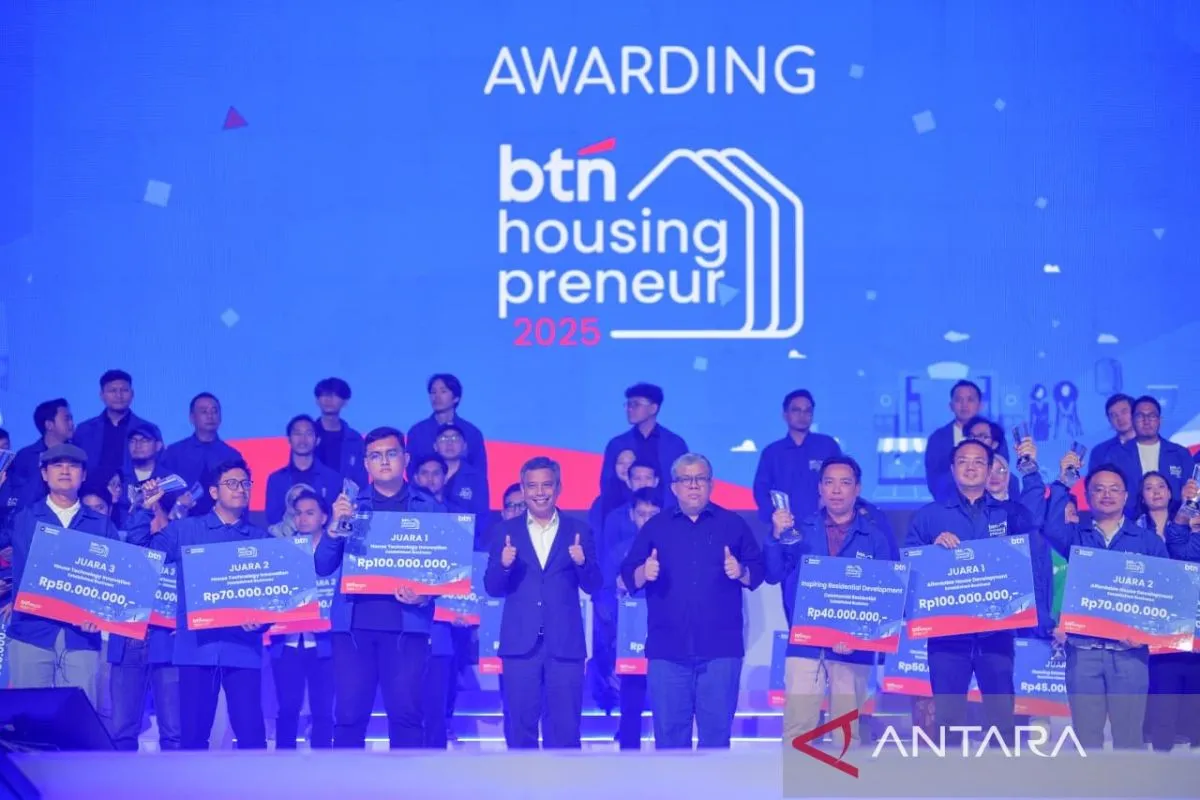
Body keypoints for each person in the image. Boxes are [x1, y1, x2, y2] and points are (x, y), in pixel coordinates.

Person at [905, 438, 1046, 746]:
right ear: (952, 468)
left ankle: (1000, 775)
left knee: (1001, 719)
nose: (971, 467)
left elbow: (1031, 552)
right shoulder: (930, 516)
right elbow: (908, 568)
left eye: (979, 462)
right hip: (946, 636)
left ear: (990, 468)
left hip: (996, 634)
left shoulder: (1010, 514)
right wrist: (932, 550)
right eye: (963, 461)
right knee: (947, 721)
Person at [620, 453, 764, 749]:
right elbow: (627, 575)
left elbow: (759, 571)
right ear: (674, 487)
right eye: (686, 480)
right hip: (667, 652)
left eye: (700, 479)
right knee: (670, 744)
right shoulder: (656, 527)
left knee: (716, 742)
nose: (694, 485)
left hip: (720, 651)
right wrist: (644, 572)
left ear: (711, 484)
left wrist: (741, 571)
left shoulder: (733, 524)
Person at [1036, 445, 1171, 750]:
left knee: (1129, 740)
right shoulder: (1076, 536)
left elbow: (1164, 596)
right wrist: (1063, 482)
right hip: (1083, 652)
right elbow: (1050, 527)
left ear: (1126, 496)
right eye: (1099, 489)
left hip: (1130, 653)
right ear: (1088, 495)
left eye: (1114, 489)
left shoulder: (1147, 541)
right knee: (1087, 741)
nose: (1107, 495)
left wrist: (1147, 633)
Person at [129, 459, 270, 750]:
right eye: (232, 483)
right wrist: (145, 509)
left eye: (245, 484)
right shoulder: (185, 530)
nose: (240, 489)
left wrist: (263, 620)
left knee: (252, 738)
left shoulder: (261, 538)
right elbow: (142, 559)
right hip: (196, 649)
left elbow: (274, 594)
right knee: (193, 739)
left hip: (242, 649)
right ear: (214, 492)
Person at [315, 427, 438, 750]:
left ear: (405, 459)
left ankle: (407, 781)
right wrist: (334, 527)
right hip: (353, 629)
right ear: (366, 464)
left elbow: (444, 569)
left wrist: (427, 594)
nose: (384, 461)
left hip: (407, 627)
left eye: (391, 453)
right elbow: (323, 565)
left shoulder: (427, 508)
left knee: (407, 716)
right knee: (348, 717)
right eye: (375, 455)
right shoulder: (350, 506)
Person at [764, 456, 897, 745]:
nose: (836, 490)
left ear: (857, 489)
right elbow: (773, 574)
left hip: (854, 648)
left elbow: (888, 595)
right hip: (805, 643)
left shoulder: (874, 537)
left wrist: (858, 635)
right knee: (797, 731)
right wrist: (775, 536)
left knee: (846, 735)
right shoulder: (799, 531)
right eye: (829, 482)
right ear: (820, 488)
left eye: (845, 483)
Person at [484, 456, 601, 749]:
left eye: (546, 485)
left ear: (558, 488)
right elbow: (492, 587)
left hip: (565, 646)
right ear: (523, 490)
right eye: (532, 486)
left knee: (565, 731)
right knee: (519, 730)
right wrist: (504, 565)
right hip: (520, 646)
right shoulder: (505, 532)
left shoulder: (579, 530)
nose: (539, 492)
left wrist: (582, 562)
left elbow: (594, 585)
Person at [0, 444, 118, 705]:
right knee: (29, 717)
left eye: (73, 466)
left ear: (83, 475)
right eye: (57, 465)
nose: (65, 471)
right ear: (44, 474)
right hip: (31, 632)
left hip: (82, 637)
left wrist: (101, 615)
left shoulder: (101, 525)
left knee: (79, 716)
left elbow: (113, 580)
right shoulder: (22, 518)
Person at [268, 490, 335, 749]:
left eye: (310, 513)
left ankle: (323, 765)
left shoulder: (336, 554)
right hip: (287, 643)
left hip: (325, 644)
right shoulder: (281, 552)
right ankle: (283, 765)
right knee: (287, 708)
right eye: (298, 514)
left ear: (324, 517)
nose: (303, 519)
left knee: (323, 710)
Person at [606, 486, 662, 750]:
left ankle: (673, 757)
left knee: (668, 699)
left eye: (653, 514)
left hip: (667, 632)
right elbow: (606, 591)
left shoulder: (676, 547)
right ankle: (628, 752)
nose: (647, 520)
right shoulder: (619, 550)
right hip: (632, 635)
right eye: (642, 514)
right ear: (632, 515)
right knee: (631, 699)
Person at [752, 389, 842, 524]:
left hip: (825, 526)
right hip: (785, 528)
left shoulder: (828, 446)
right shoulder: (772, 452)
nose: (802, 415)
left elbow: (843, 481)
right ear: (785, 415)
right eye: (796, 410)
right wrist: (776, 518)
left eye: (807, 411)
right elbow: (761, 491)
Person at [599, 384, 688, 511]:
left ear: (653, 408)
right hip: (626, 516)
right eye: (628, 404)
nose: (630, 409)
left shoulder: (675, 444)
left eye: (636, 404)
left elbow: (683, 484)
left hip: (666, 515)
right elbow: (608, 487)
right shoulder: (617, 444)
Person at [158, 393, 243, 519]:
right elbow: (162, 490)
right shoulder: (174, 453)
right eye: (204, 411)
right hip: (181, 524)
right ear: (192, 418)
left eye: (214, 411)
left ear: (220, 417)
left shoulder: (232, 456)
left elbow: (242, 495)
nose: (210, 416)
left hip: (223, 525)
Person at [72, 370, 157, 492]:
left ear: (132, 394)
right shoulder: (84, 430)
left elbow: (158, 468)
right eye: (112, 391)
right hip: (90, 496)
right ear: (102, 395)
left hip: (135, 497)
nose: (119, 395)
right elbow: (75, 466)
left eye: (124, 390)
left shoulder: (149, 429)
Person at [264, 415, 342, 525]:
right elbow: (273, 519)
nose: (302, 440)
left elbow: (334, 518)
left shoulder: (333, 479)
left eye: (308, 434)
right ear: (289, 439)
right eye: (297, 434)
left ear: (317, 440)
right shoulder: (276, 480)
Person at [407, 374, 488, 476]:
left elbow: (480, 472)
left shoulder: (471, 433)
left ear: (456, 398)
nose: (437, 397)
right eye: (433, 392)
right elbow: (411, 470)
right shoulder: (417, 432)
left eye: (443, 391)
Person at [7, 398, 75, 511]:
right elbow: (15, 494)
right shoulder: (25, 456)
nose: (72, 424)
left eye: (71, 419)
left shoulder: (78, 454)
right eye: (66, 419)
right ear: (49, 425)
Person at [923, 380, 983, 504]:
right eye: (959, 400)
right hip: (949, 505)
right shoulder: (938, 438)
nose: (964, 405)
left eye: (970, 400)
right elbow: (933, 478)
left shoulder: (994, 435)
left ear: (980, 405)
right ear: (951, 406)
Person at [433, 422, 490, 550]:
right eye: (444, 439)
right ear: (435, 446)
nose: (449, 443)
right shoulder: (425, 474)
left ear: (464, 446)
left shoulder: (476, 478)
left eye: (455, 438)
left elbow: (482, 517)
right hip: (430, 542)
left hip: (465, 543)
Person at [312, 377, 367, 487]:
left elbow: (361, 478)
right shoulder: (307, 436)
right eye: (324, 395)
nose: (329, 399)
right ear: (317, 401)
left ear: (345, 402)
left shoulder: (355, 440)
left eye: (334, 395)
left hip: (345, 496)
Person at [1089, 393, 1136, 472]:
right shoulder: (1100, 452)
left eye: (1124, 412)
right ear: (1109, 420)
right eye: (1114, 415)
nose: (1120, 418)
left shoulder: (1152, 444)